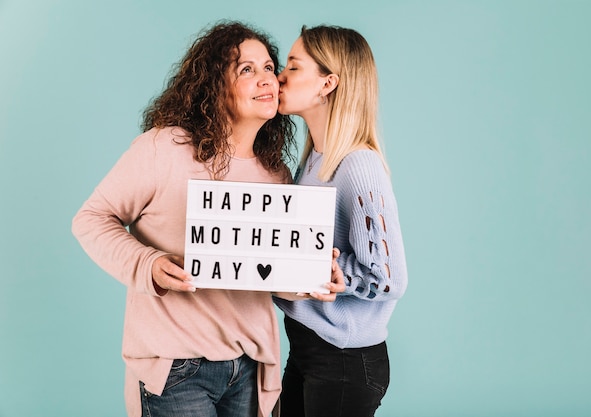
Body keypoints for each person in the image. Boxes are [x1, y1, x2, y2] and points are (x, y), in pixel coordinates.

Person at [72, 21, 343, 417]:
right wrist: (148, 264)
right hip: (178, 367)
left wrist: (313, 277)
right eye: (246, 69)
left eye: (269, 67)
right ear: (213, 85)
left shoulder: (276, 174)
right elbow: (91, 218)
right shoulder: (164, 148)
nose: (266, 78)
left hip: (250, 369)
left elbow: (264, 274)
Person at [273, 25, 409, 417]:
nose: (280, 76)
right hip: (311, 350)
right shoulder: (315, 159)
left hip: (344, 361)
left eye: (294, 67)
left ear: (327, 84)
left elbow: (390, 276)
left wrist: (330, 271)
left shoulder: (357, 166)